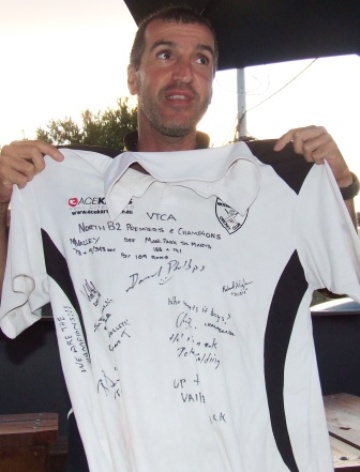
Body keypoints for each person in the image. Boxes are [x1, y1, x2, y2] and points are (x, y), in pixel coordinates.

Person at [0, 5, 360, 472]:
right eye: (166, 54)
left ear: (211, 82)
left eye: (202, 60)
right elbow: (9, 301)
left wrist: (342, 187)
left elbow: (347, 269)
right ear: (133, 77)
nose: (185, 74)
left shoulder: (281, 180)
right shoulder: (61, 186)